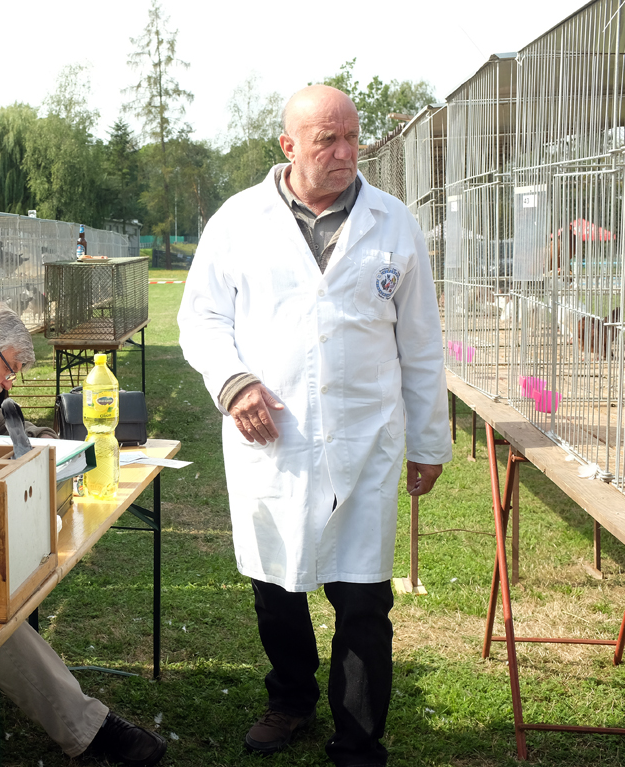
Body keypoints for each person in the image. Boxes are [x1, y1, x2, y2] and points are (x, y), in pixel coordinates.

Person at [177, 85, 452, 767]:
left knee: (364, 599)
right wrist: (233, 382)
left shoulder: (392, 223)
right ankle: (291, 698)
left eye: (352, 137)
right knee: (277, 584)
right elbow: (201, 317)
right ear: (289, 145)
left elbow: (421, 342)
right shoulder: (238, 221)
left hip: (365, 438)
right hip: (275, 438)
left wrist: (428, 440)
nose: (344, 152)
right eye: (327, 139)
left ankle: (358, 741)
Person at [0, 300, 167, 767]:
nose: (11, 382)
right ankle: (89, 730)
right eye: (11, 368)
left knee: (31, 561)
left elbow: (3, 428)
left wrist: (54, 446)